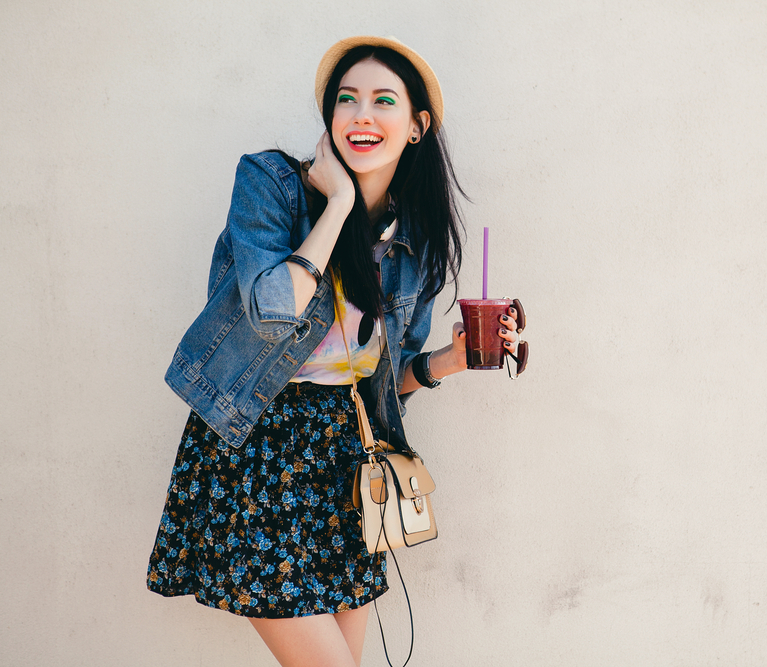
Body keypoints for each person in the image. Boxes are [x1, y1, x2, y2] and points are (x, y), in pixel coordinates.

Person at [146, 36, 524, 667]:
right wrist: (339, 206)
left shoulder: (417, 241)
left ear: (416, 127)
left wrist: (451, 360)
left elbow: (381, 381)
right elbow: (273, 309)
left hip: (345, 461)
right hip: (257, 451)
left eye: (383, 101)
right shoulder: (271, 185)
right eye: (346, 100)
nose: (361, 115)